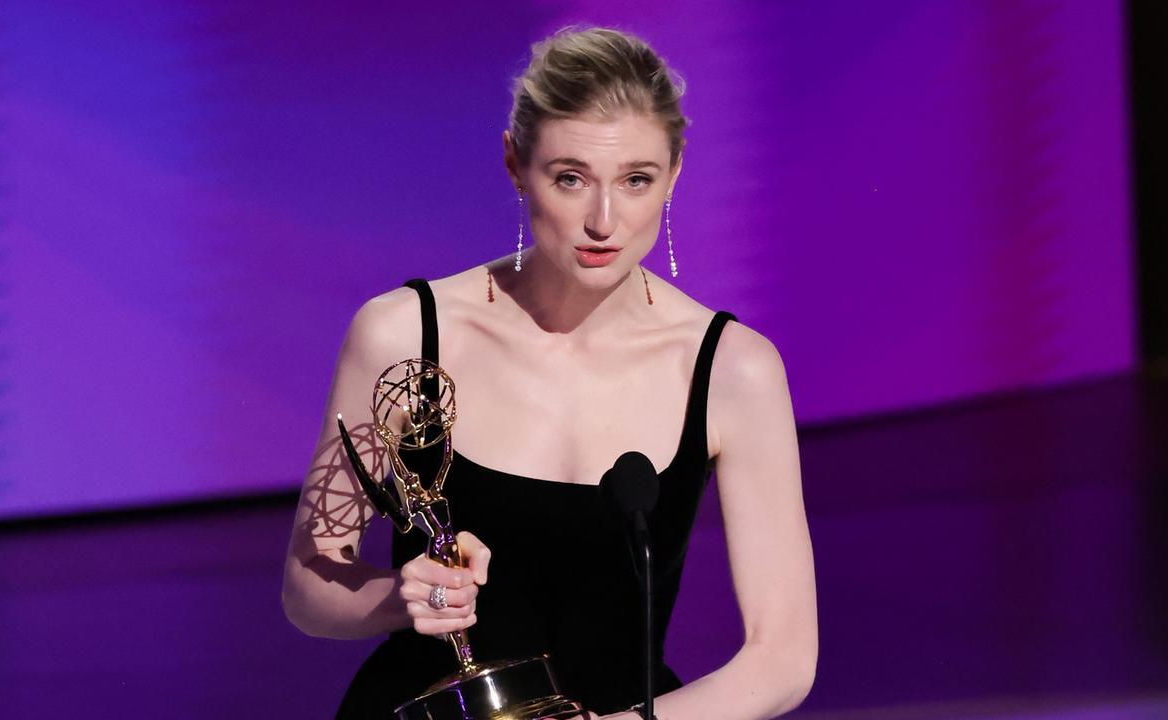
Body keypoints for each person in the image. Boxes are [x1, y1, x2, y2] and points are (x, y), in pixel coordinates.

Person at [282, 26, 817, 719]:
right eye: (570, 178)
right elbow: (308, 589)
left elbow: (782, 658)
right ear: (514, 163)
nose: (603, 219)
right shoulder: (406, 334)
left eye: (636, 180)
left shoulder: (731, 369)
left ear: (675, 175)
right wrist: (400, 596)